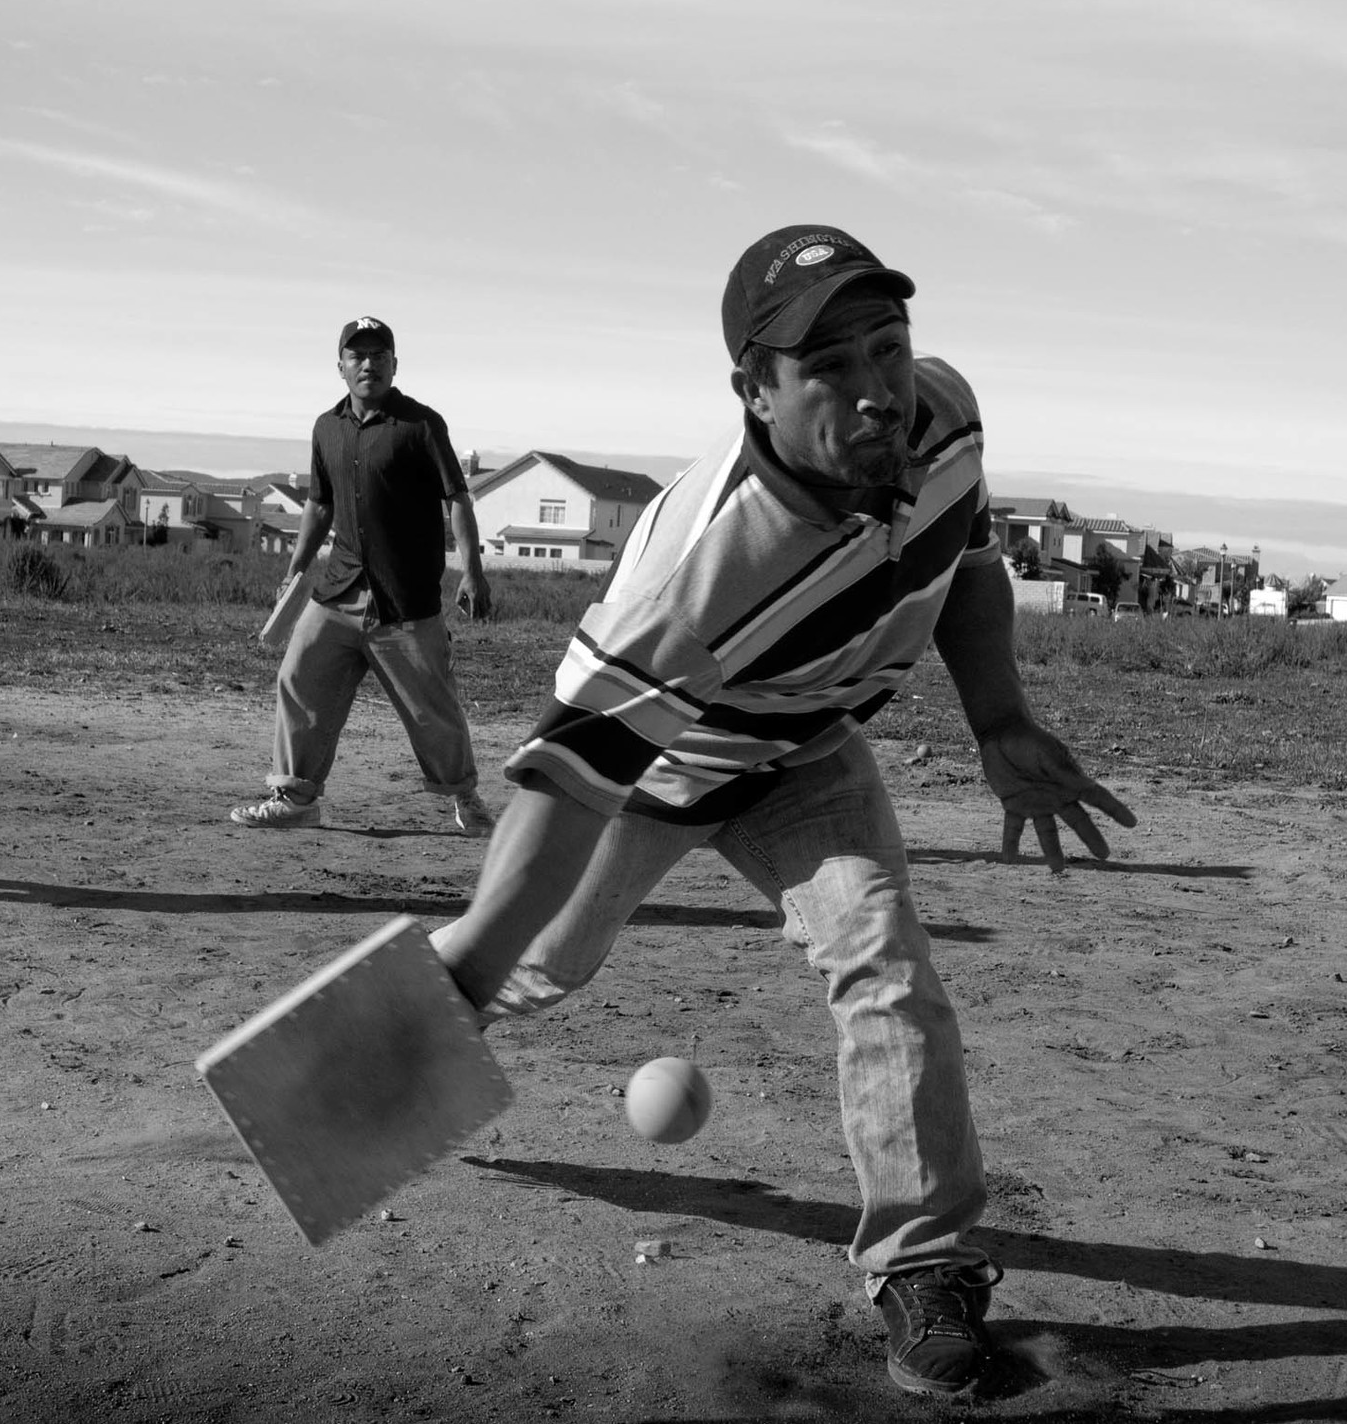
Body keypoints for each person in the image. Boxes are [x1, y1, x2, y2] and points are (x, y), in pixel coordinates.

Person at [429, 225, 1135, 1398]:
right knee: (538, 961)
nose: (876, 391)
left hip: (806, 752)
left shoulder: (942, 416)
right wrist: (466, 963)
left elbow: (961, 557)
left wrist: (999, 718)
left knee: (883, 958)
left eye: (887, 347)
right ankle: (422, 1024)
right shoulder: (700, 572)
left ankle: (925, 1264)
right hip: (664, 769)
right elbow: (567, 771)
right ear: (754, 390)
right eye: (829, 368)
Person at [230, 317, 496, 835]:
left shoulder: (421, 425)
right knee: (297, 679)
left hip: (405, 601)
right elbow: (318, 505)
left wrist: (473, 572)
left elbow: (457, 500)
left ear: (395, 365)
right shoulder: (326, 428)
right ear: (341, 367)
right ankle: (296, 797)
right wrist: (296, 569)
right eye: (357, 355)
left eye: (379, 354)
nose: (368, 363)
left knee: (431, 710)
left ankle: (465, 798)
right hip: (338, 592)